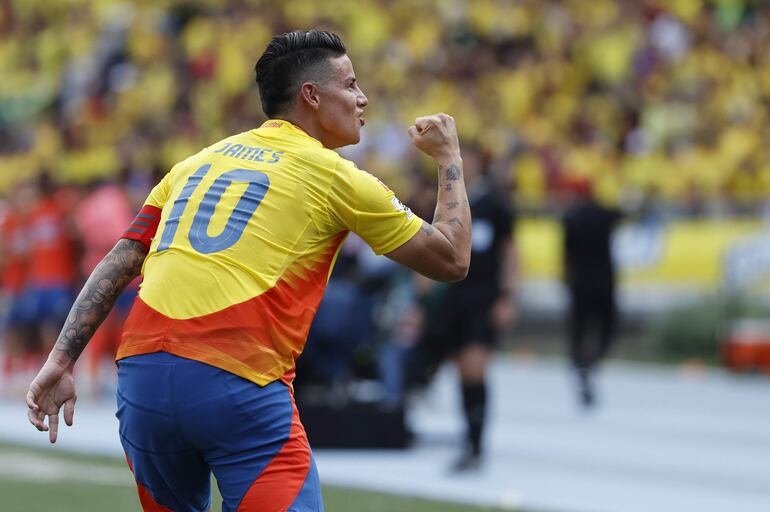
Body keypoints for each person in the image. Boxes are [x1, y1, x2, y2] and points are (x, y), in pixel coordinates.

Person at [26, 30, 471, 512]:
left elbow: (121, 258)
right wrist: (449, 158)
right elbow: (451, 258)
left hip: (142, 379)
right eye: (351, 84)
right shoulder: (336, 174)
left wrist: (61, 359)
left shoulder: (195, 163)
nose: (363, 98)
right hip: (236, 380)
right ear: (312, 96)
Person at [420, 145, 516, 472]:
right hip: (453, 297)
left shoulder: (496, 205)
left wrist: (508, 296)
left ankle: (476, 444)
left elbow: (510, 252)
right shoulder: (449, 201)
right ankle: (468, 439)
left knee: (475, 367)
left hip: (483, 297)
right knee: (461, 369)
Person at [562, 179, 622, 408]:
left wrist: (566, 279)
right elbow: (624, 215)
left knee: (579, 325)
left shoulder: (570, 219)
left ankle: (579, 362)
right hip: (604, 281)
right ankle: (595, 359)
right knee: (606, 324)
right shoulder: (604, 214)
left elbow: (565, 254)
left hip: (580, 282)